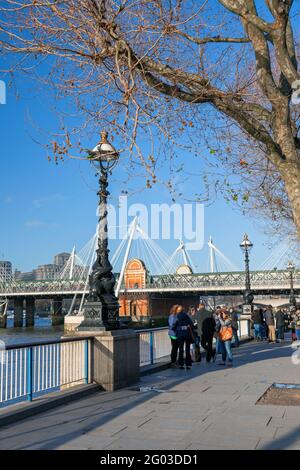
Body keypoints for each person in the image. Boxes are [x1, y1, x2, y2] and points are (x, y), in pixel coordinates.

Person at [173, 305, 194, 370]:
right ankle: (188, 365)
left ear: (178, 311)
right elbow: (191, 324)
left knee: (181, 350)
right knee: (187, 349)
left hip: (180, 335)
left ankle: (181, 364)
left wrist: (177, 329)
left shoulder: (176, 317)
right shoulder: (187, 316)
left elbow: (173, 326)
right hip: (187, 334)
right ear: (183, 310)